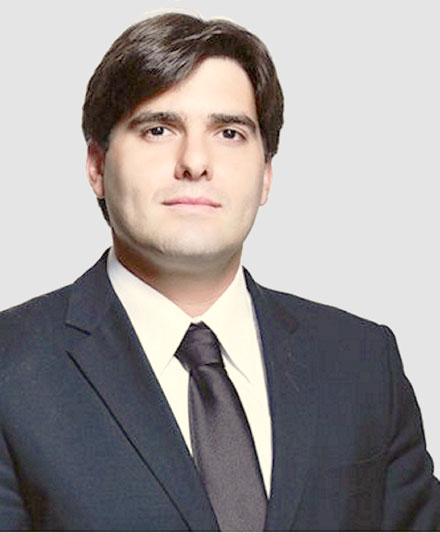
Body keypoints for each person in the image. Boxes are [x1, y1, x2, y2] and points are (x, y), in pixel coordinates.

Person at [0, 11, 438, 532]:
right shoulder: (12, 367)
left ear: (266, 173)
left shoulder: (362, 362)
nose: (195, 161)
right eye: (158, 129)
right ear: (97, 165)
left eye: (229, 132)